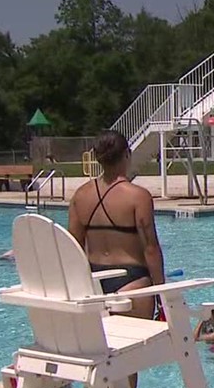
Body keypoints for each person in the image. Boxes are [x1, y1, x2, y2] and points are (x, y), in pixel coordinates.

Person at [68, 130, 165, 320]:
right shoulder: (138, 196)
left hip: (94, 283)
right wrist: (162, 292)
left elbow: (73, 247)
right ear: (127, 154)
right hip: (132, 282)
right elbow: (150, 248)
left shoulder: (80, 196)